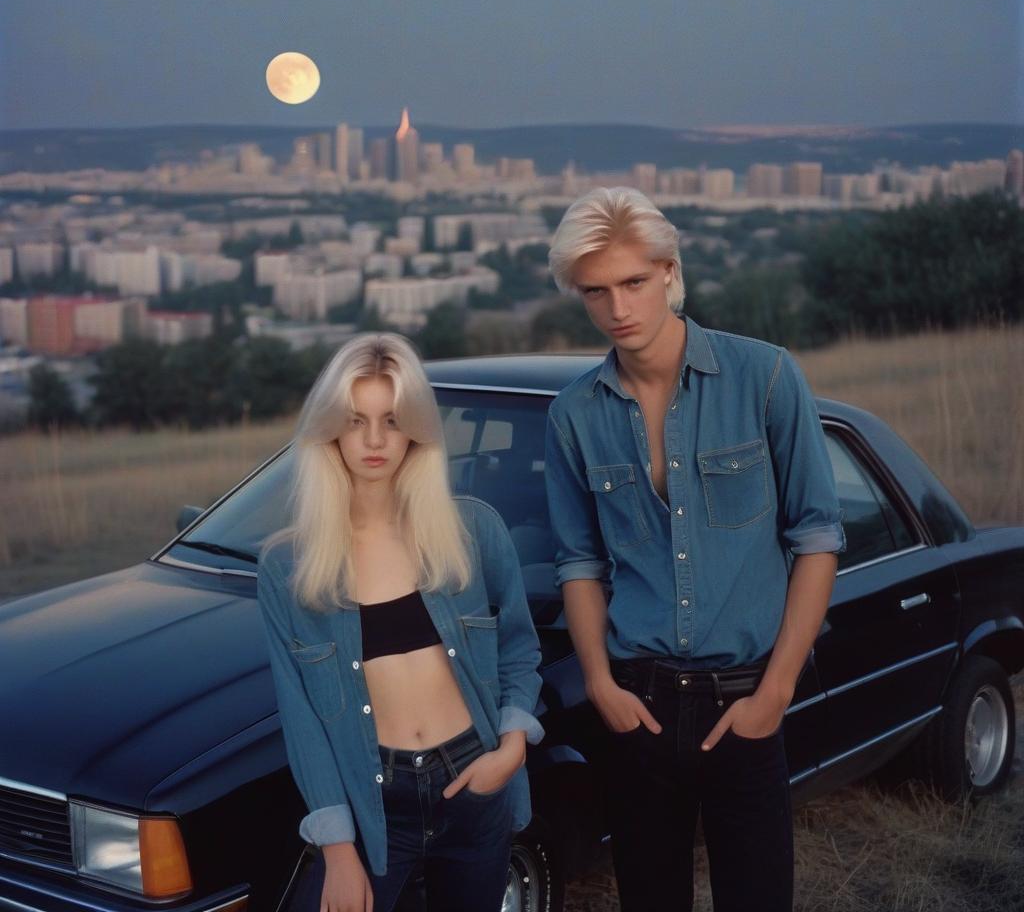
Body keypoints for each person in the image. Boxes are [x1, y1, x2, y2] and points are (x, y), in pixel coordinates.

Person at [544, 187, 845, 912]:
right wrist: (601, 686)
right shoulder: (574, 415)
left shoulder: (766, 377)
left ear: (671, 273)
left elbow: (816, 538)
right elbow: (579, 562)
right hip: (638, 708)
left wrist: (774, 694)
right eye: (597, 292)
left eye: (635, 283)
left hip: (744, 703)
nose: (618, 308)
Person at [257, 332, 544, 912]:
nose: (373, 440)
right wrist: (338, 849)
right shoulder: (288, 566)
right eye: (355, 420)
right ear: (330, 428)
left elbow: (518, 649)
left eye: (391, 420)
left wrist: (511, 749)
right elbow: (303, 719)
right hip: (374, 802)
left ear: (414, 427)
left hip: (474, 781)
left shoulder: (473, 532)